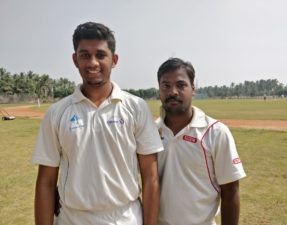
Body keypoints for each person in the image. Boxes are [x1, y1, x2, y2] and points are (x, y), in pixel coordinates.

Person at [32, 22, 164, 225]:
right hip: (72, 219)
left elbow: (150, 178)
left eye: (101, 55)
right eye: (85, 55)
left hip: (125, 218)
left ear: (114, 60)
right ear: (75, 59)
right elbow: (46, 183)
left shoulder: (136, 107)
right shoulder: (57, 113)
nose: (93, 63)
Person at [156, 58, 246, 225]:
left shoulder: (216, 132)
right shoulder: (151, 132)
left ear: (193, 89)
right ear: (159, 90)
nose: (173, 91)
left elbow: (231, 191)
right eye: (166, 85)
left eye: (181, 85)